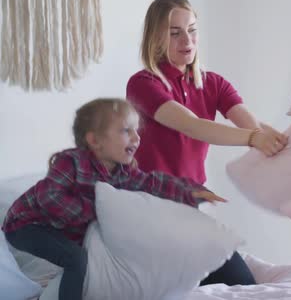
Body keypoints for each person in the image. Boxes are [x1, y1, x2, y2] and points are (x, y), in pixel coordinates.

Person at [126, 0, 285, 286]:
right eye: (175, 33)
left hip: (190, 206)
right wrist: (253, 138)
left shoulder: (213, 83)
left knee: (242, 284)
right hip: (150, 208)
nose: (187, 40)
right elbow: (192, 125)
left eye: (192, 30)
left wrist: (277, 140)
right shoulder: (143, 84)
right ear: (156, 38)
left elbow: (249, 123)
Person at [1, 98, 226, 300]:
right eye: (126, 131)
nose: (137, 138)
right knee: (76, 260)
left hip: (59, 227)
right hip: (26, 225)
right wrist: (93, 213)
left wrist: (191, 192)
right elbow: (50, 197)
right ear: (95, 141)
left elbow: (153, 183)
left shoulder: (122, 171)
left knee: (88, 263)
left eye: (137, 131)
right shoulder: (71, 162)